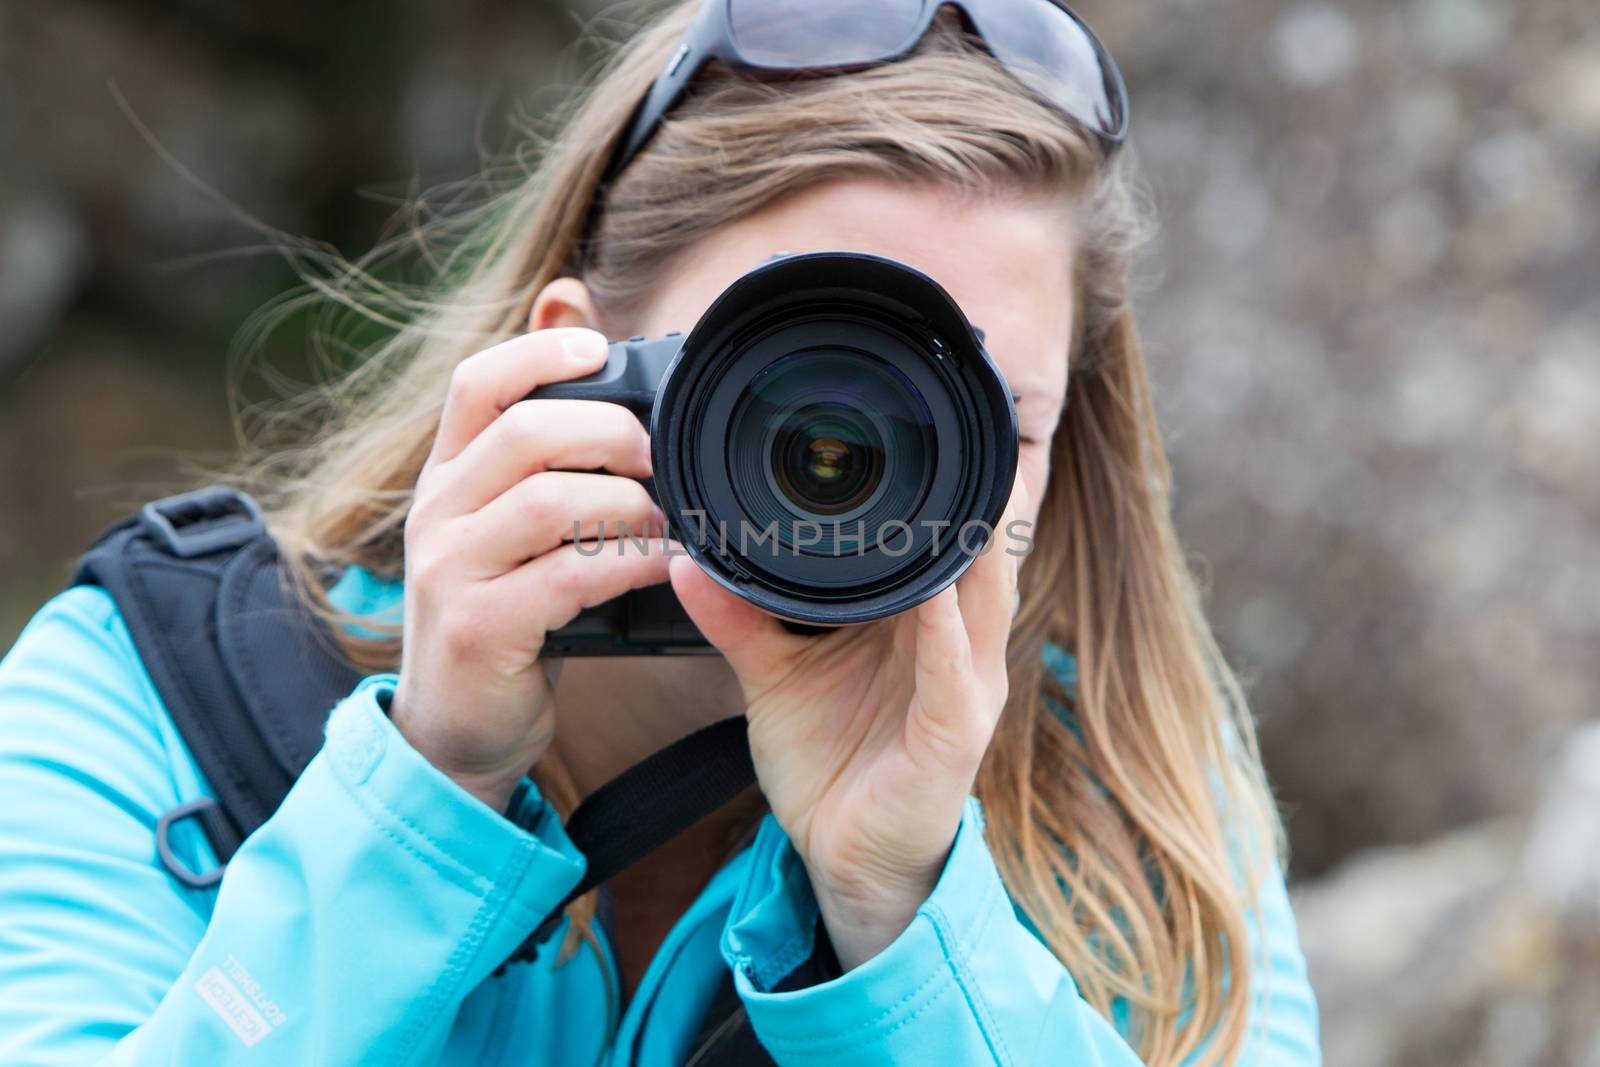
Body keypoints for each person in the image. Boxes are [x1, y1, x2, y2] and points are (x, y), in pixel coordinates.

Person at [0, 2, 1320, 1064]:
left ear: (1055, 457)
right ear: (571, 365)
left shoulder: (1143, 822)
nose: (855, 474)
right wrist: (423, 795)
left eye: (985, 420)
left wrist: (908, 923)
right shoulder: (155, 700)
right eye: (786, 387)